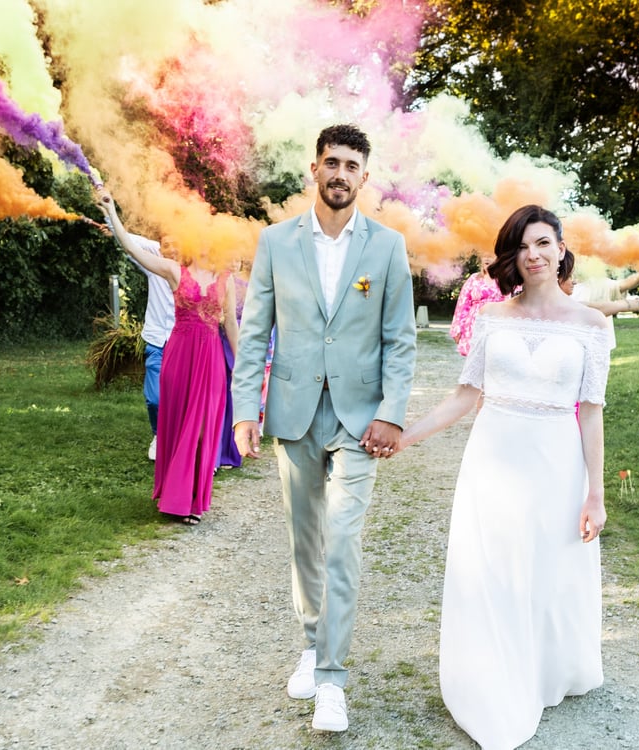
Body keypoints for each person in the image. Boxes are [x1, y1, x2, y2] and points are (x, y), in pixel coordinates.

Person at [398, 205, 611, 750]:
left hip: (556, 462)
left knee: (547, 569)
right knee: (493, 569)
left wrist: (595, 494)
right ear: (510, 256)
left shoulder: (592, 324)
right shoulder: (492, 317)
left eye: (542, 243)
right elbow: (463, 397)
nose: (532, 255)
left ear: (561, 249)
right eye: (521, 246)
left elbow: (591, 412)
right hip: (492, 457)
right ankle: (493, 679)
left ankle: (544, 669)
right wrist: (405, 436)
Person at [232, 124, 417, 733]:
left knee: (341, 541)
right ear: (314, 169)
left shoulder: (387, 247)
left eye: (351, 165)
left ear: (365, 176)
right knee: (304, 541)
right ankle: (312, 646)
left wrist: (391, 411)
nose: (340, 174)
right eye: (331, 162)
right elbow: (255, 333)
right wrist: (245, 409)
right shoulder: (276, 242)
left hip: (360, 419)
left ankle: (332, 680)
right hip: (294, 412)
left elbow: (400, 339)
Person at [97, 187, 238, 525]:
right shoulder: (175, 271)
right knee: (177, 426)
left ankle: (191, 497)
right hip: (179, 355)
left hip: (210, 360)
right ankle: (179, 501)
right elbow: (132, 248)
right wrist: (111, 211)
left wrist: (243, 363)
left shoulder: (226, 279)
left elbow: (231, 324)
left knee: (202, 429)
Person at [103, 220, 175, 461]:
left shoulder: (190, 265)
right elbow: (129, 241)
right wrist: (111, 221)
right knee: (155, 398)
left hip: (181, 343)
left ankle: (181, 440)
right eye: (166, 245)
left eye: (175, 244)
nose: (170, 249)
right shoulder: (154, 260)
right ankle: (158, 434)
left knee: (181, 396)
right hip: (156, 340)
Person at [214, 263, 248, 471]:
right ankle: (214, 453)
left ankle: (228, 452)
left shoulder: (248, 282)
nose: (234, 261)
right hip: (218, 340)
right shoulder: (217, 279)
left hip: (239, 340)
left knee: (231, 397)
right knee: (216, 399)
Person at [449, 254, 509, 356]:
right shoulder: (474, 278)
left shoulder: (503, 279)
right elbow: (462, 304)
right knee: (474, 358)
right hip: (473, 325)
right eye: (484, 255)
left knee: (493, 356)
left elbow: (508, 303)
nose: (487, 258)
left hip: (496, 324)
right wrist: (457, 328)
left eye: (490, 255)